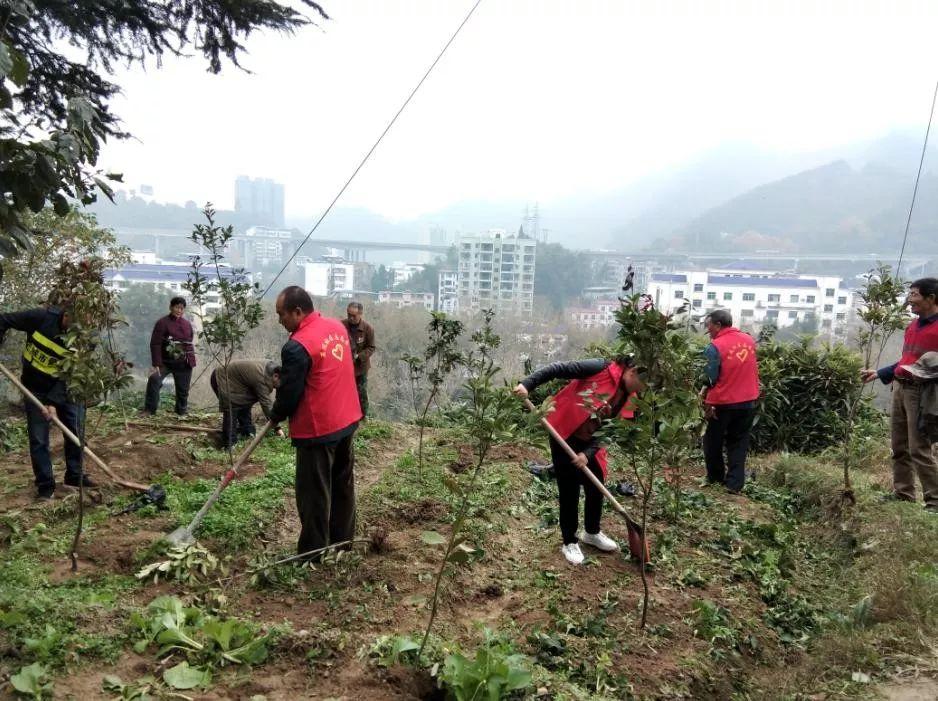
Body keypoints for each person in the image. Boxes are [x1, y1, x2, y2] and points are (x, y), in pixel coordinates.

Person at [513, 356, 645, 565]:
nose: (641, 389)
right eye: (641, 383)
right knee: (569, 487)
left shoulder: (629, 395)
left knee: (596, 484)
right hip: (564, 432)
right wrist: (527, 384)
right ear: (632, 372)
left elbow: (612, 431)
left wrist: (588, 454)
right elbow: (557, 367)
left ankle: (591, 532)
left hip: (590, 442)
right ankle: (569, 541)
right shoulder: (600, 368)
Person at [269, 286, 362, 558]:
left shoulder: (297, 346)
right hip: (347, 419)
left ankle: (312, 552)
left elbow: (289, 394)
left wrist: (275, 414)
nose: (280, 321)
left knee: (314, 493)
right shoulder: (336, 327)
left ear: (298, 312)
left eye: (281, 315)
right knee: (343, 485)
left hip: (318, 428)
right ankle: (342, 543)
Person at [0, 304, 94, 499]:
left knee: (76, 431)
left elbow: (71, 375)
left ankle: (75, 475)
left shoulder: (84, 338)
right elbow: (4, 319)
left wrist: (52, 403)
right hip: (34, 387)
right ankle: (45, 486)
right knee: (39, 439)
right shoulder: (40, 317)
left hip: (66, 389)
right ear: (66, 314)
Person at [863, 277, 938, 512]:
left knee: (920, 448)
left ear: (931, 298)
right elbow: (906, 360)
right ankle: (903, 493)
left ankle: (934, 501)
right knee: (899, 445)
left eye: (914, 295)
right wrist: (880, 373)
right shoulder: (913, 326)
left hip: (922, 391)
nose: (909, 300)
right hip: (900, 386)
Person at [700, 309, 760, 494]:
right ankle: (734, 484)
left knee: (713, 441)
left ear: (718, 325)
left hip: (721, 402)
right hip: (748, 401)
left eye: (708, 326)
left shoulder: (714, 347)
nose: (707, 330)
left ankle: (716, 478)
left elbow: (711, 377)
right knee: (738, 442)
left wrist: (703, 392)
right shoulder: (749, 340)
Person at [210, 360, 283, 448]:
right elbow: (266, 404)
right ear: (275, 376)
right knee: (232, 408)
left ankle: (248, 436)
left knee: (244, 404)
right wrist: (277, 428)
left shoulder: (270, 370)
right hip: (221, 377)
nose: (278, 387)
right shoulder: (262, 379)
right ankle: (230, 445)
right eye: (280, 383)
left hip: (237, 383)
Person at [143, 297, 196, 416]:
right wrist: (156, 363)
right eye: (177, 307)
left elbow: (189, 340)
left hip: (183, 361)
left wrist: (189, 358)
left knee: (183, 390)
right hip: (165, 362)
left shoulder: (187, 324)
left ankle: (181, 411)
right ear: (171, 307)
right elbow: (155, 343)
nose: (179, 310)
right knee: (154, 380)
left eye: (182, 308)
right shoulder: (162, 322)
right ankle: (149, 410)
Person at [341, 302, 375, 417]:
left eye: (353, 315)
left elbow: (371, 347)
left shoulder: (368, 328)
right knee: (344, 392)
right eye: (348, 314)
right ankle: (346, 415)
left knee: (361, 392)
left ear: (360, 314)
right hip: (344, 367)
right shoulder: (342, 325)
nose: (350, 317)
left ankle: (363, 416)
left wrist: (359, 356)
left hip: (360, 368)